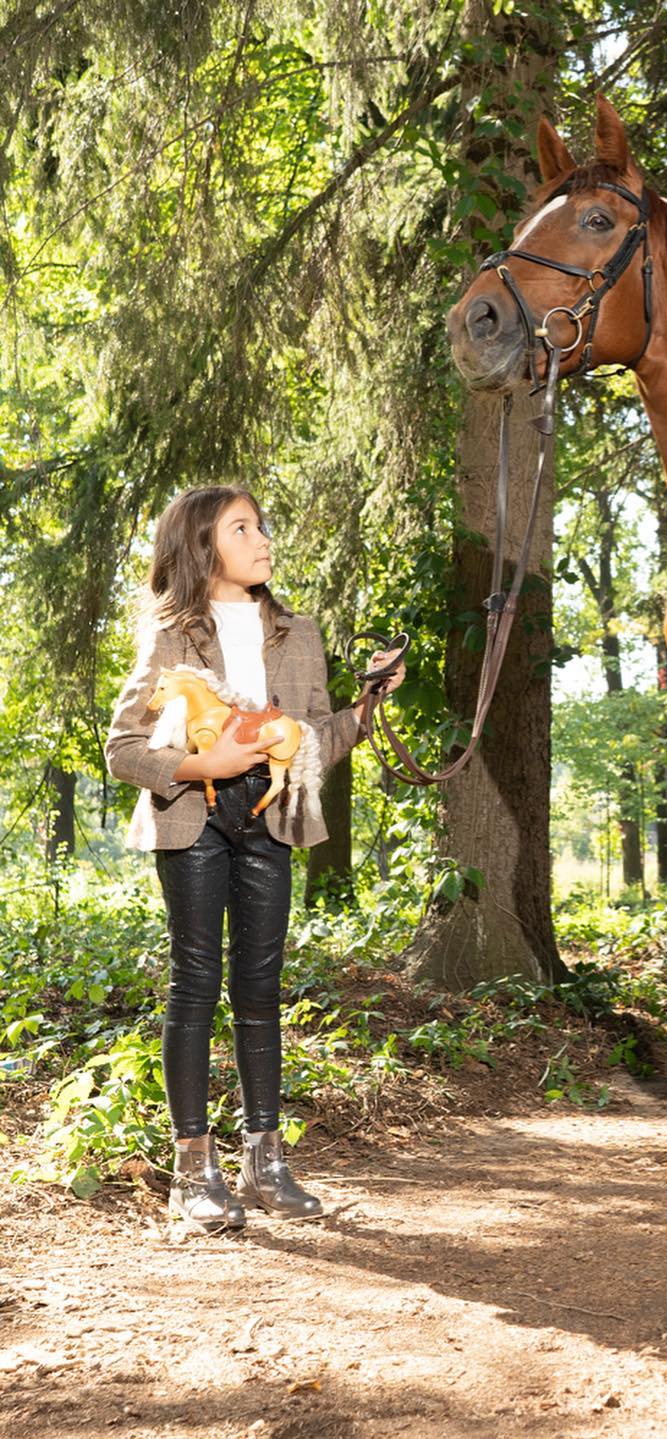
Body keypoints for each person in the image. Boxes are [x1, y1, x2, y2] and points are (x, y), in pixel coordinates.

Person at [105, 486, 404, 1231]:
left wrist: (364, 711)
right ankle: (193, 1169)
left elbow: (317, 744)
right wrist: (206, 766)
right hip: (194, 817)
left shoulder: (298, 633)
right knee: (197, 981)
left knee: (261, 984)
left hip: (272, 817)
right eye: (243, 527)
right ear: (206, 549)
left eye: (262, 523)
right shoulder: (171, 636)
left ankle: (265, 1161)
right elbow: (123, 749)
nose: (262, 536)